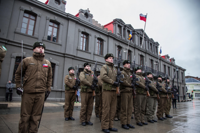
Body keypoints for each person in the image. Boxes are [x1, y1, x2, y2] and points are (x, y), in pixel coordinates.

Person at [15, 42, 52, 133]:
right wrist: (18, 86)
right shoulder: (27, 61)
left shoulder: (47, 63)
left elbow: (49, 78)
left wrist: (48, 89)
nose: (41, 49)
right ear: (33, 49)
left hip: (41, 93)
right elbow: (18, 74)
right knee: (25, 116)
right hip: (28, 92)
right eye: (39, 47)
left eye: (43, 48)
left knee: (36, 117)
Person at [100, 53, 118, 133]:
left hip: (114, 91)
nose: (111, 59)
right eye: (110, 58)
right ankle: (104, 126)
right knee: (106, 109)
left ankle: (110, 126)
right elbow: (103, 76)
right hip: (107, 90)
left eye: (112, 58)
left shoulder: (115, 68)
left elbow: (116, 79)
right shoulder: (104, 67)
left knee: (113, 109)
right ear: (106, 59)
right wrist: (113, 82)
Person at [120, 60, 135, 130]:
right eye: (127, 64)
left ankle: (128, 122)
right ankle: (124, 123)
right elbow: (123, 81)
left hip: (130, 92)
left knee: (129, 109)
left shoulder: (130, 73)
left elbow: (132, 81)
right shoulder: (122, 72)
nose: (128, 65)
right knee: (124, 108)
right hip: (125, 92)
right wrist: (130, 85)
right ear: (124, 65)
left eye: (129, 63)